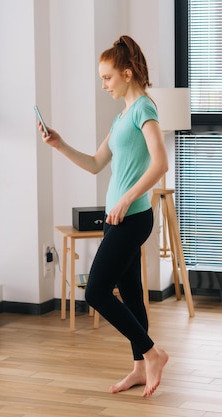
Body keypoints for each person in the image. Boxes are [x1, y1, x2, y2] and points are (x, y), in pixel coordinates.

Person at [38, 35, 169, 398]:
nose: (104, 85)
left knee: (95, 291)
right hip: (117, 220)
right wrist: (59, 144)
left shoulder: (144, 108)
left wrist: (127, 198)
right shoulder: (122, 116)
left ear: (127, 74)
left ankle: (152, 352)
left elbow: (161, 163)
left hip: (132, 218)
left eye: (108, 78)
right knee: (129, 294)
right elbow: (96, 164)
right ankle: (141, 369)